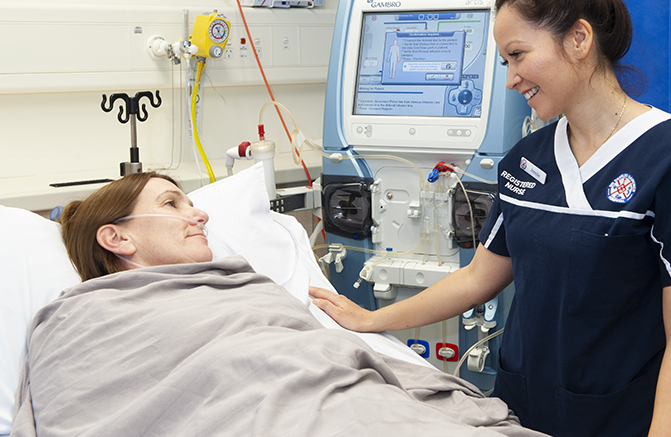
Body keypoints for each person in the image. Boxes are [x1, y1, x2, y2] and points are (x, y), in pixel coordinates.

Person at [309, 0, 671, 437]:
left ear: (580, 39)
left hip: (624, 420)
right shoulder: (526, 160)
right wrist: (370, 319)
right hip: (522, 415)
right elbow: (479, 278)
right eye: (503, 60)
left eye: (518, 55)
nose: (510, 76)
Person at [18, 171, 549, 437]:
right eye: (172, 204)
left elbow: (304, 358)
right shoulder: (76, 322)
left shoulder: (246, 288)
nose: (198, 216)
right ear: (118, 239)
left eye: (194, 203)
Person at [61, 172, 211, 280]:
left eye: (191, 205)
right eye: (170, 203)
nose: (203, 216)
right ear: (117, 238)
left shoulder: (228, 279)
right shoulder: (98, 313)